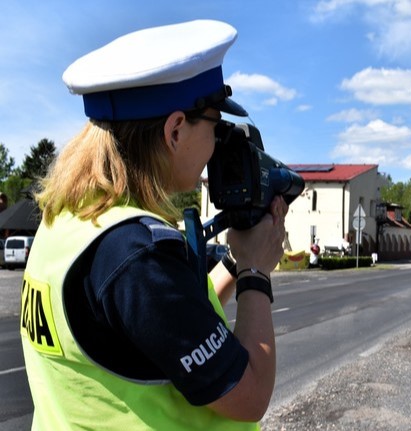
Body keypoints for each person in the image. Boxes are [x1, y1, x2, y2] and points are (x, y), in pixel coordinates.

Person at [20, 20, 287, 430]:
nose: (217, 144)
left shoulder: (68, 223)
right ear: (176, 130)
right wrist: (256, 275)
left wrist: (235, 262)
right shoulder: (135, 256)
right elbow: (249, 396)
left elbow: (165, 324)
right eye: (214, 125)